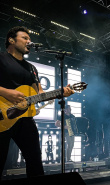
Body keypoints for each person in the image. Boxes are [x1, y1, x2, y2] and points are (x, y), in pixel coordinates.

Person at [0, 26, 74, 180]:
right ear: (11, 40)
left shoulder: (32, 68)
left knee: (35, 162)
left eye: (29, 38)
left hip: (25, 119)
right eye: (25, 38)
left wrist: (61, 92)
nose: (29, 41)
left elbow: (39, 94)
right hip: (2, 117)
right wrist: (6, 92)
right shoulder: (1, 59)